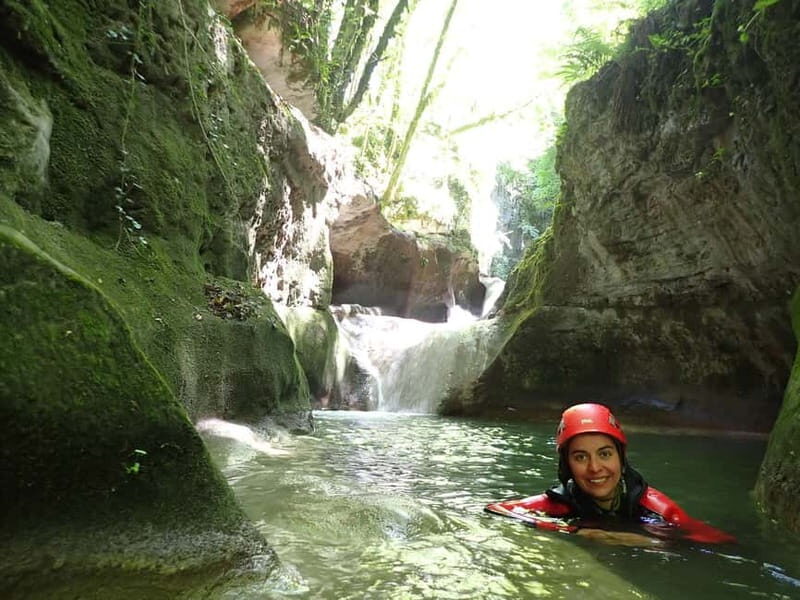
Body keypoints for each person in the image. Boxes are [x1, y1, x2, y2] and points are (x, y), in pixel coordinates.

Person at [485, 403, 736, 546]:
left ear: (620, 458)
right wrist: (572, 531)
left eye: (604, 454)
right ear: (567, 466)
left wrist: (647, 542)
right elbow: (496, 509)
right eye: (580, 457)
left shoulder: (655, 508)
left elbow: (718, 542)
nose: (595, 468)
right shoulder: (559, 504)